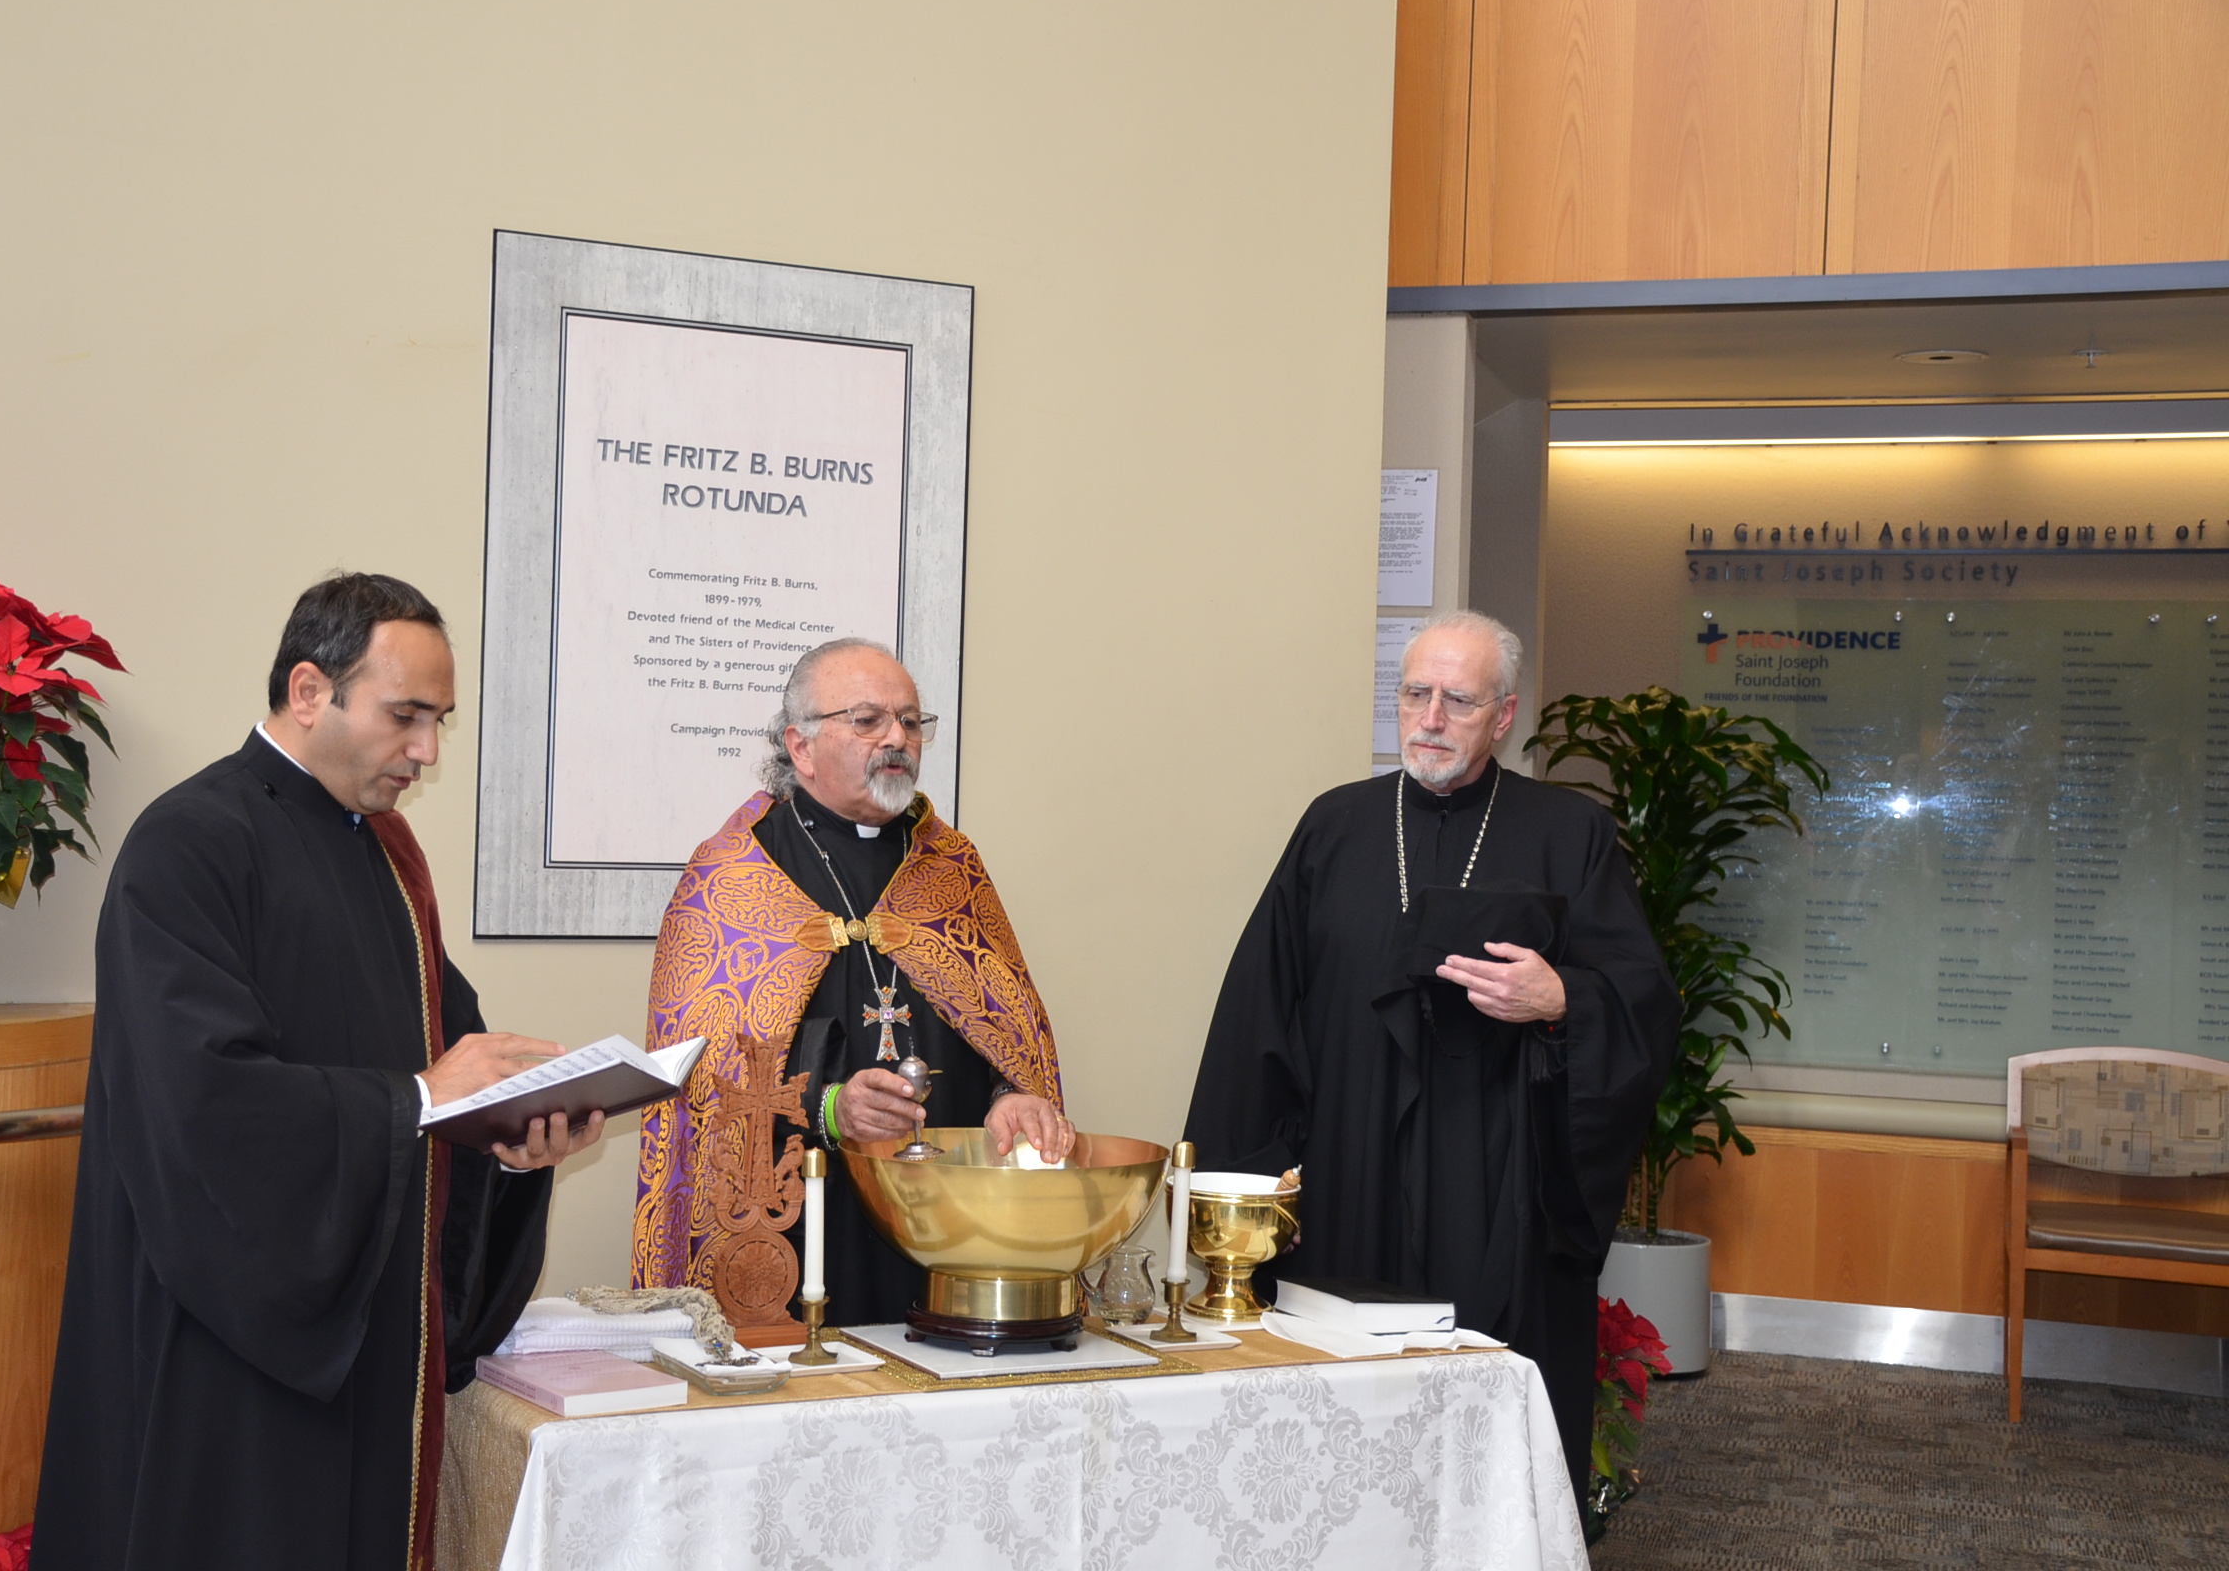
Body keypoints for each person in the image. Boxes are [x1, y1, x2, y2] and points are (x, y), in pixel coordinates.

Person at [34, 574, 601, 1571]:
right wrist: (424, 1100)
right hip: (226, 1344)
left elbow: (450, 1063)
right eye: (406, 717)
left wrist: (516, 1137)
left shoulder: (387, 854)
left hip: (364, 1335)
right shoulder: (190, 842)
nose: (426, 752)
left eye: (439, 721)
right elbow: (202, 1101)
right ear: (309, 690)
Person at [1183, 609, 1678, 1493]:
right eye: (1416, 694)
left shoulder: (1570, 834)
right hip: (1349, 1173)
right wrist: (1243, 1190)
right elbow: (1259, 1011)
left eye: (1458, 699)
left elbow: (1642, 1002)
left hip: (1499, 1189)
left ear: (1505, 715)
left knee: (1486, 1433)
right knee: (1336, 1432)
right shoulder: (1335, 827)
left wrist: (1562, 998)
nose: (1432, 718)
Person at [634, 637, 1072, 1325]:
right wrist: (831, 1106)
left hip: (947, 1227)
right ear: (799, 746)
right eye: (867, 720)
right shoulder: (730, 876)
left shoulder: (953, 868)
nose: (896, 738)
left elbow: (1007, 1027)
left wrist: (1010, 1096)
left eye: (910, 721)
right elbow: (705, 1077)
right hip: (801, 1230)